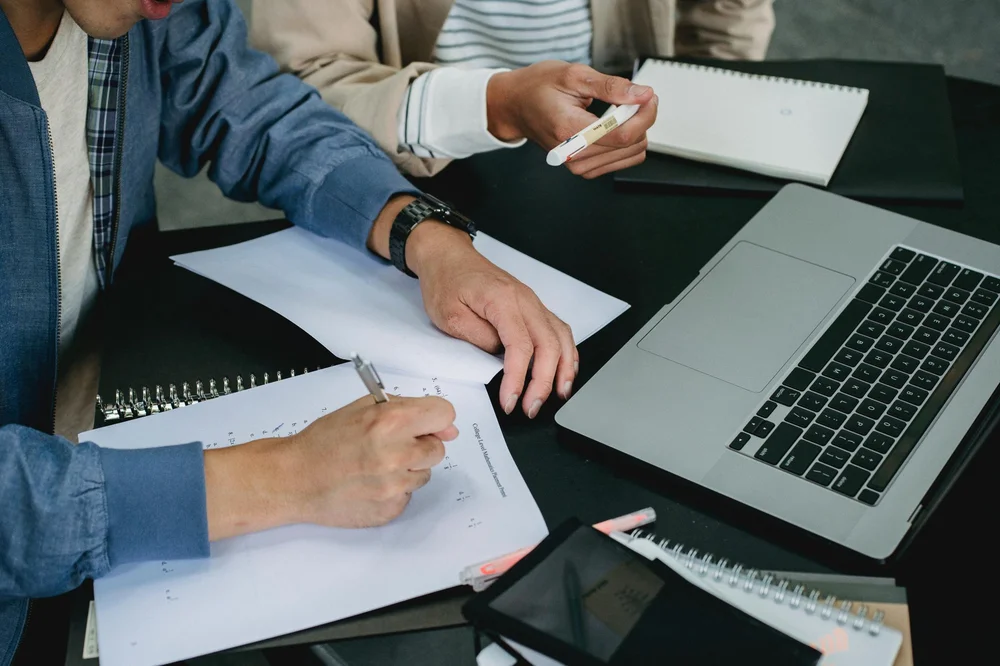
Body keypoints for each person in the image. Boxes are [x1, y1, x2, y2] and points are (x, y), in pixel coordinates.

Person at [0, 0, 578, 662]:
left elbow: (247, 107)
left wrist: (422, 233)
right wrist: (282, 477)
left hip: (106, 411)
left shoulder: (146, 12)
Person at [250, 0, 775, 179]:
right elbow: (296, 88)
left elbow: (725, 18)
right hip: (414, 162)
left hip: (624, 149)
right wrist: (495, 105)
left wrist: (689, 101)